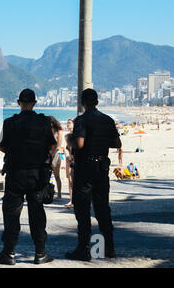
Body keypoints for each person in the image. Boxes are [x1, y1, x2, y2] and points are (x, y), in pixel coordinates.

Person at [0, 89, 57, 266]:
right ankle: (40, 253)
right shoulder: (44, 122)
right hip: (37, 175)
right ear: (34, 103)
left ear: (19, 103)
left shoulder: (10, 122)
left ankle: (9, 252)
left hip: (16, 173)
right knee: (37, 213)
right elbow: (52, 144)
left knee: (12, 214)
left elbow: (2, 147)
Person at [66, 89, 122, 261]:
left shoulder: (82, 120)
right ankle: (109, 248)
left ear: (82, 102)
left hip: (85, 168)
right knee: (102, 208)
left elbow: (80, 144)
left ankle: (83, 249)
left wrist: (69, 139)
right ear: (97, 102)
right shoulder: (107, 120)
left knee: (82, 209)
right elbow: (117, 143)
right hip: (102, 168)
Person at [49, 116, 64, 201]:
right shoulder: (49, 131)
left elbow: (59, 146)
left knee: (56, 175)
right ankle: (49, 192)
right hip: (49, 154)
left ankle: (59, 194)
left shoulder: (59, 132)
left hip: (56, 155)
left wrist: (62, 159)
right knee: (47, 175)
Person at [64, 119, 75, 209]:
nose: (67, 125)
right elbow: (67, 148)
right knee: (70, 180)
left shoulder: (77, 135)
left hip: (77, 159)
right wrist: (67, 154)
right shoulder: (67, 136)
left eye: (69, 123)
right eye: (67, 123)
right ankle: (71, 200)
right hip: (69, 159)